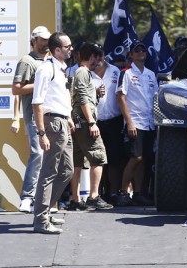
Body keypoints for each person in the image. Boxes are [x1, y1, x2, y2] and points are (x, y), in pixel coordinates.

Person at [31, 31, 75, 234]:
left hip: (63, 122)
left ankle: (46, 211)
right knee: (48, 173)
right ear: (57, 50)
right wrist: (41, 133)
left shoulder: (60, 69)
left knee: (67, 171)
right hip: (53, 124)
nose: (71, 49)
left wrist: (69, 118)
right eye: (68, 47)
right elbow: (37, 103)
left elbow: (59, 97)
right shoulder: (45, 69)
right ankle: (40, 220)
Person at [11, 25, 51, 214]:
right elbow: (16, 89)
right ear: (34, 40)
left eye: (48, 39)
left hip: (53, 115)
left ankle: (43, 201)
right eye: (42, 39)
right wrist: (39, 84)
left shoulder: (52, 61)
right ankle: (27, 198)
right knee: (38, 154)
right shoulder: (27, 61)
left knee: (51, 158)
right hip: (34, 115)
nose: (46, 42)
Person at [70, 42, 113, 211]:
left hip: (79, 123)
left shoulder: (82, 73)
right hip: (85, 124)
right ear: (92, 57)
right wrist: (92, 122)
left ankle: (76, 200)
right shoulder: (82, 72)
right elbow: (81, 98)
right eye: (97, 58)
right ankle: (93, 196)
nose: (99, 62)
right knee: (99, 157)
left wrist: (95, 94)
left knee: (77, 162)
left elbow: (81, 96)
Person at [116, 41, 159, 206]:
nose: (141, 51)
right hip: (135, 121)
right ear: (131, 55)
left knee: (144, 158)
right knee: (136, 157)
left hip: (149, 122)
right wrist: (129, 122)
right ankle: (123, 192)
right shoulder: (125, 73)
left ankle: (139, 192)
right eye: (137, 50)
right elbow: (120, 97)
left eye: (143, 49)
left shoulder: (150, 74)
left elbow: (155, 97)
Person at [91, 54, 124, 203]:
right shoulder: (86, 72)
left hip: (114, 121)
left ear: (103, 56)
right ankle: (96, 194)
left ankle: (113, 193)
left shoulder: (116, 71)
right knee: (97, 159)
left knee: (115, 159)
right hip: (94, 122)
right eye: (94, 56)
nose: (97, 59)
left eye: (99, 56)